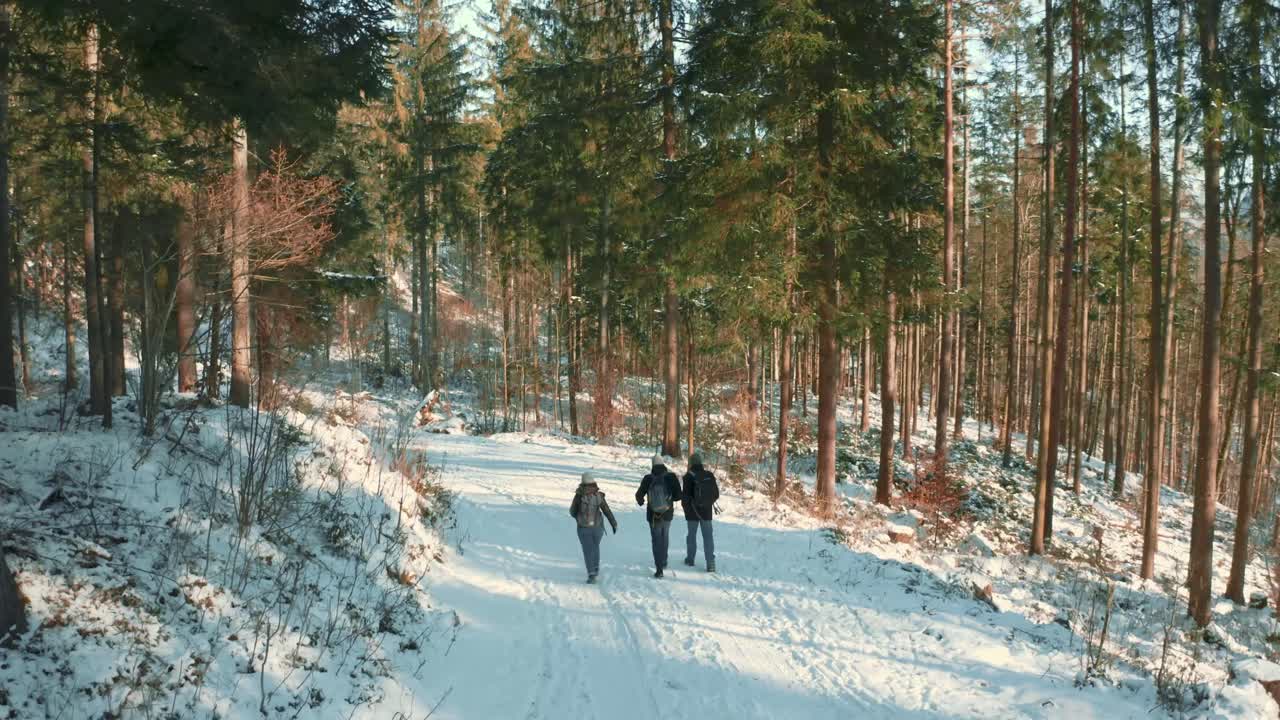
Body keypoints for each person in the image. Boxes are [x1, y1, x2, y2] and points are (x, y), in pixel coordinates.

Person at [636, 455, 681, 578]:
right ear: (663, 464)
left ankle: (659, 568)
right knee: (664, 536)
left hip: (653, 515)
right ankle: (664, 560)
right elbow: (678, 496)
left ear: (652, 465)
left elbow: (639, 495)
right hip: (667, 513)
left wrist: (641, 502)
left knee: (656, 540)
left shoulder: (648, 478)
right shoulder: (671, 477)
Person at [570, 472, 618, 584]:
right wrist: (613, 523)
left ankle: (591, 574)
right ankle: (595, 568)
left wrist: (578, 516)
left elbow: (572, 512)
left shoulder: (579, 495)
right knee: (595, 547)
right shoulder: (599, 495)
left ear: (582, 482)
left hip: (583, 527)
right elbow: (606, 510)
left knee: (588, 550)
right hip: (598, 528)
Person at [681, 452, 719, 572]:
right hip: (706, 513)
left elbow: (685, 497)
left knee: (691, 535)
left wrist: (686, 510)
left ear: (691, 463)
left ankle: (690, 559)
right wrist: (707, 504)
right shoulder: (709, 475)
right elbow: (716, 494)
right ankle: (711, 563)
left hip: (692, 513)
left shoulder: (688, 476)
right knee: (708, 537)